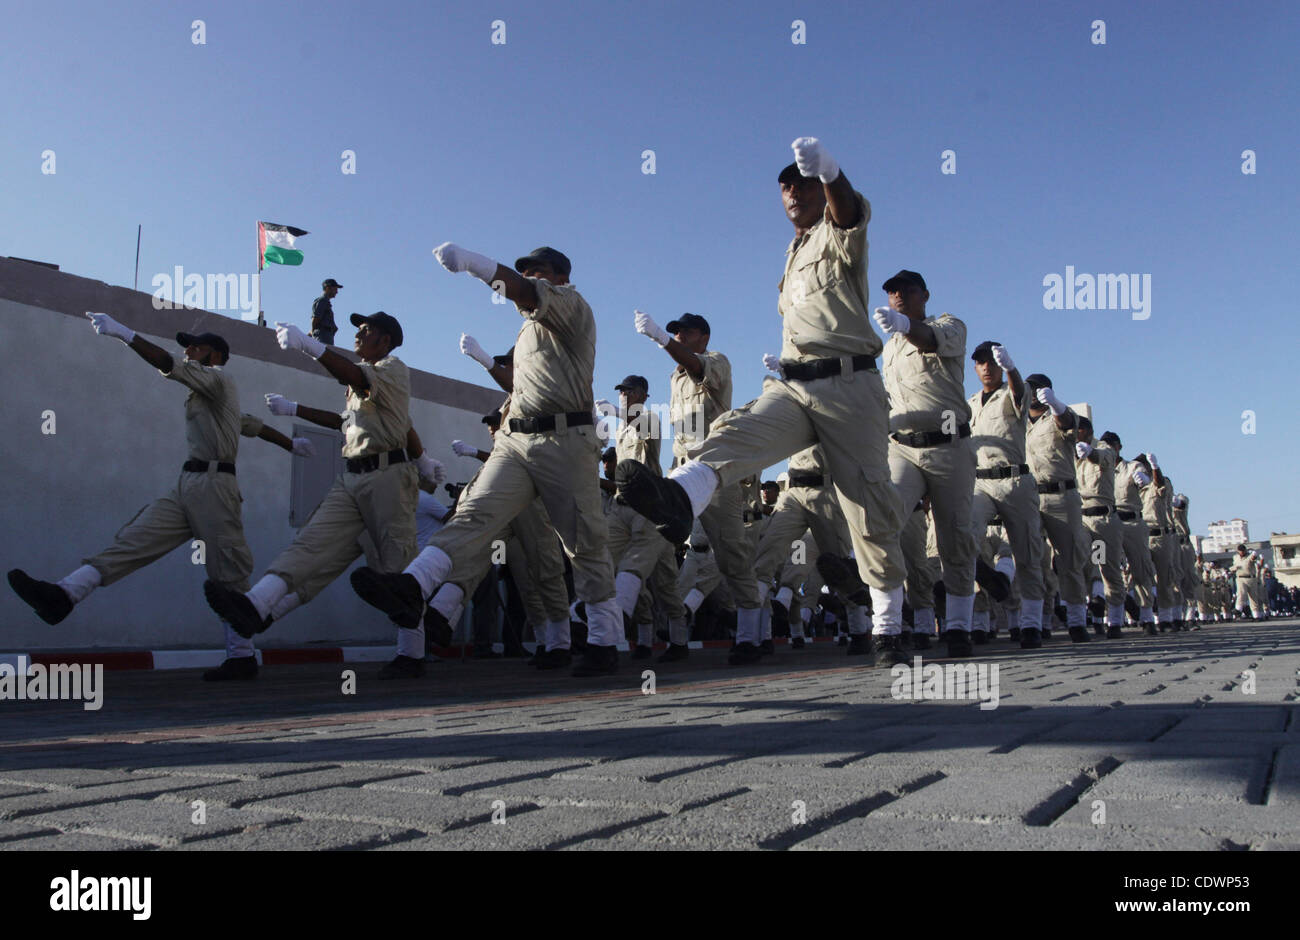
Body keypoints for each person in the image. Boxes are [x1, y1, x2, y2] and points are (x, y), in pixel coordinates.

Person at [615, 136, 908, 666]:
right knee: (735, 430)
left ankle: (886, 625)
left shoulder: (839, 235)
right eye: (785, 188)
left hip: (850, 385)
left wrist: (833, 170)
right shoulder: (791, 257)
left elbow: (848, 211)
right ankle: (680, 497)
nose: (793, 192)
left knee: (870, 509)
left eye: (801, 183)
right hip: (796, 385)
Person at [348, 245, 624, 677]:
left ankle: (605, 640)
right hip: (516, 441)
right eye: (526, 269)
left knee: (581, 541)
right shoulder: (528, 333)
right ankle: (412, 586)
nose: (530, 275)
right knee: (471, 515)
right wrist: (486, 366)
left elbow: (523, 292)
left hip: (564, 440)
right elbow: (518, 386)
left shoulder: (571, 305)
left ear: (562, 277)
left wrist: (475, 266)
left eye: (539, 270)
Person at [5, 318, 307, 681]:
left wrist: (127, 334)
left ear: (216, 355)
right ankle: (63, 596)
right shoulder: (210, 398)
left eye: (195, 347)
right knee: (133, 540)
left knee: (227, 570)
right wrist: (290, 443)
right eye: (187, 346)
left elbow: (171, 366)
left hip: (215, 486)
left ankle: (242, 655)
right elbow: (251, 425)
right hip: (188, 483)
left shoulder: (219, 379)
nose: (188, 351)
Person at [203, 312, 446, 679]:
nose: (358, 335)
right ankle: (256, 606)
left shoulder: (394, 369)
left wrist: (312, 347)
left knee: (397, 565)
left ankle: (411, 654)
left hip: (388, 478)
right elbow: (349, 422)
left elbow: (361, 383)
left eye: (365, 331)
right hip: (352, 478)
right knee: (311, 546)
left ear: (385, 341)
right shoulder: (362, 387)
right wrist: (294, 409)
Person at [626, 309, 770, 663]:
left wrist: (660, 339)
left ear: (703, 337)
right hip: (683, 469)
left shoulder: (717, 361)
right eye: (674, 332)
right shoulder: (674, 379)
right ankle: (658, 630)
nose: (678, 336)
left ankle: (751, 635)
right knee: (653, 536)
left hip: (717, 469)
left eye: (685, 332)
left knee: (732, 552)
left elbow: (696, 366)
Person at [871, 270, 979, 657]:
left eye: (906, 291)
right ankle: (885, 628)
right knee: (883, 520)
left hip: (949, 446)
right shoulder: (889, 350)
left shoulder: (949, 324)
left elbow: (930, 340)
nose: (897, 296)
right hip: (901, 447)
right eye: (891, 292)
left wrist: (904, 324)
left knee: (955, 537)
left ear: (925, 296)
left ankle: (958, 628)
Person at [967, 341, 1047, 648]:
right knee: (964, 534)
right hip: (980, 482)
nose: (987, 367)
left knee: (1027, 555)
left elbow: (1017, 392)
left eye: (991, 362)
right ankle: (993, 578)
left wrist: (1012, 368)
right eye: (980, 362)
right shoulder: (971, 403)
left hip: (1014, 480)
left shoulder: (1015, 392)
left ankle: (1029, 625)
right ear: (974, 368)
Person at [1023, 374, 1091, 643]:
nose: (1035, 393)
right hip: (1029, 496)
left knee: (1069, 560)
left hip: (1062, 496)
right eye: (1032, 388)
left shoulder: (1057, 415)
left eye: (1040, 389)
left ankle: (1077, 621)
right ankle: (1037, 621)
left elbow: (1067, 422)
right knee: (1032, 560)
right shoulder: (1017, 421)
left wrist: (1055, 404)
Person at [1073, 417, 1125, 637]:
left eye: (1080, 430)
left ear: (1088, 431)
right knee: (1079, 556)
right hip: (1081, 517)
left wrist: (1090, 452)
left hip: (1103, 519)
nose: (1076, 434)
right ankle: (1091, 606)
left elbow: (1105, 458)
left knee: (1107, 568)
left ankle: (1114, 620)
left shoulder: (1103, 448)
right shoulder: (1069, 449)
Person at [311, 279, 342, 345]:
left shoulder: (325, 301)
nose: (337, 292)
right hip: (323, 335)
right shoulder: (322, 300)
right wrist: (313, 333)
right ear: (328, 288)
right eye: (335, 289)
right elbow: (315, 319)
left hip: (327, 335)